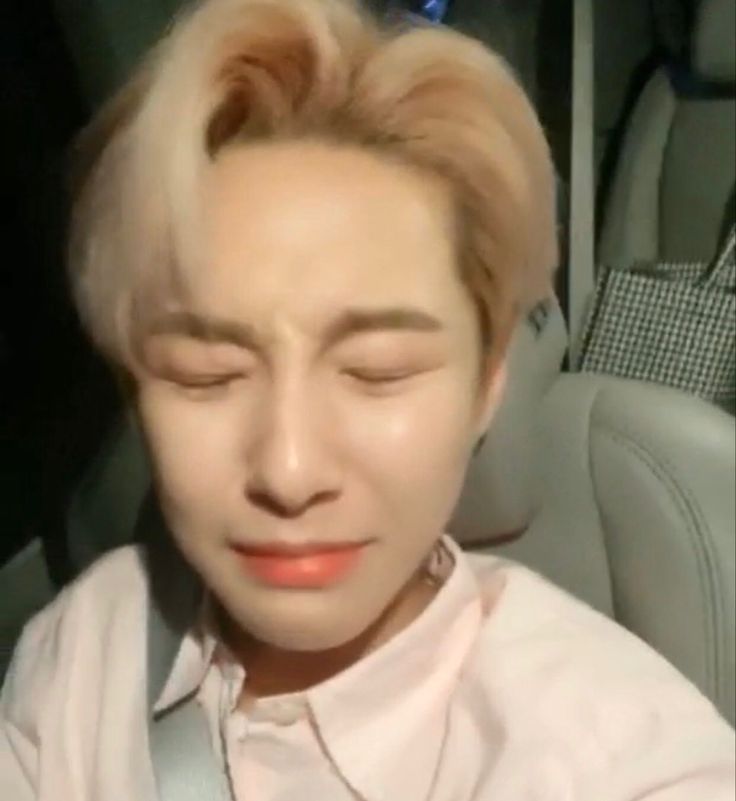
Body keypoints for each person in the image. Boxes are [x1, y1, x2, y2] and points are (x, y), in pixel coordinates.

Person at [1, 0, 734, 798]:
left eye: (379, 370)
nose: (288, 470)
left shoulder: (618, 759)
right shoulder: (87, 646)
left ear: (486, 384)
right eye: (206, 373)